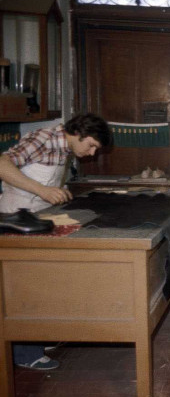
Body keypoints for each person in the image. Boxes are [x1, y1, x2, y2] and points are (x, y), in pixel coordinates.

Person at [0, 112, 112, 370]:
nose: (93, 153)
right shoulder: (44, 137)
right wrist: (42, 190)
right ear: (77, 133)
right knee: (23, 288)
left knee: (42, 280)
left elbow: (42, 176)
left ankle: (36, 337)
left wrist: (56, 193)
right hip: (16, 220)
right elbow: (2, 164)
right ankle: (25, 354)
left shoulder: (64, 148)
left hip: (37, 219)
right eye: (91, 145)